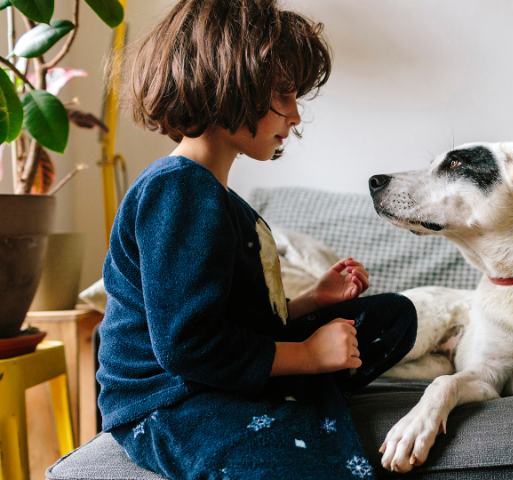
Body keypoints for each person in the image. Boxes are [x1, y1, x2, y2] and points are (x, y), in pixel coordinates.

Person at [96, 1, 417, 478]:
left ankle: (293, 380)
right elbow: (188, 345)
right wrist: (308, 356)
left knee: (393, 317)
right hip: (170, 396)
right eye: (285, 97)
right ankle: (298, 384)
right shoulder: (178, 190)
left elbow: (235, 315)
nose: (295, 118)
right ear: (228, 84)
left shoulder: (222, 200)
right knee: (304, 462)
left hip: (215, 366)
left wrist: (310, 301)